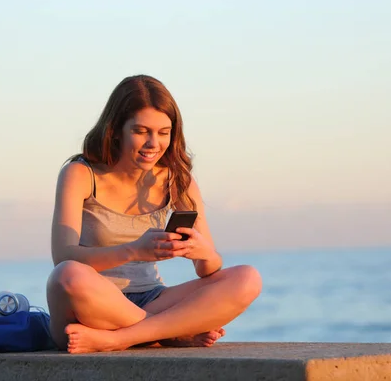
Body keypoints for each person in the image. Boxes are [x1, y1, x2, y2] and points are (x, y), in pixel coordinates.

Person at [46, 75, 262, 354]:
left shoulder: (178, 180)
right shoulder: (81, 173)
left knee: (247, 278)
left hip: (153, 299)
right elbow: (63, 256)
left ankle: (121, 339)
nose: (153, 143)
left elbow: (208, 270)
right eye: (141, 131)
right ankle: (169, 333)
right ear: (116, 130)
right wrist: (134, 250)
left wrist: (203, 252)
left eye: (163, 132)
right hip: (92, 304)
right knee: (67, 275)